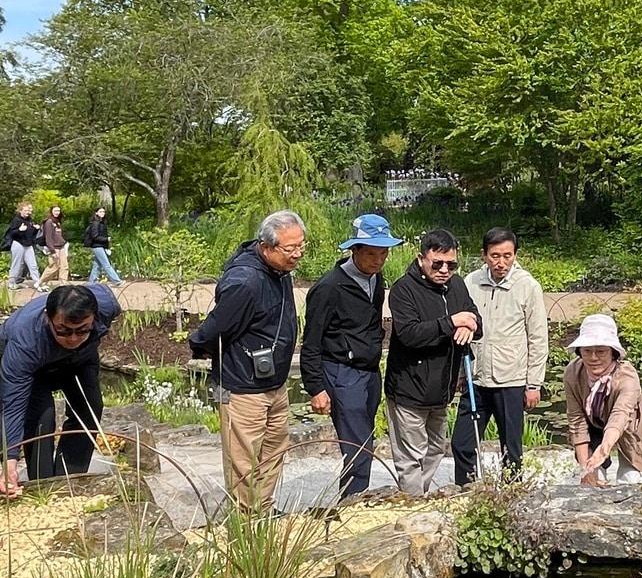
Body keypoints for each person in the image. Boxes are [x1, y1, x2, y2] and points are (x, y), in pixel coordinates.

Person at [189, 211, 305, 512]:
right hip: (242, 386)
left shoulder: (278, 271)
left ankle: (262, 510)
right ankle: (246, 521)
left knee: (274, 449)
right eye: (290, 249)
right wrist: (199, 346)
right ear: (266, 247)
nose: (297, 255)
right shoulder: (246, 281)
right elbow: (214, 329)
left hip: (273, 382)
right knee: (243, 458)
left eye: (301, 246)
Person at [300, 213, 403, 499]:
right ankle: (353, 503)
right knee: (357, 444)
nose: (378, 260)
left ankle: (353, 497)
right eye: (371, 254)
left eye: (383, 254)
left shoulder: (376, 280)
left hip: (370, 370)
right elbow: (311, 341)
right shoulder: (329, 288)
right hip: (341, 371)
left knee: (365, 438)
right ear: (354, 250)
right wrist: (316, 388)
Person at [0, 284, 121, 497]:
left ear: (95, 317)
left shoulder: (106, 306)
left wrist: (82, 339)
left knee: (89, 407)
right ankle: (42, 485)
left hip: (80, 358)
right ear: (47, 318)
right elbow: (13, 406)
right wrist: (9, 463)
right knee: (42, 417)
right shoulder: (24, 341)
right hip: (34, 361)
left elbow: (83, 333)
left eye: (82, 330)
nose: (72, 338)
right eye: (63, 330)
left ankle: (69, 480)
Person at [383, 229, 483, 496]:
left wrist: (469, 326)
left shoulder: (457, 285)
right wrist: (452, 323)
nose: (444, 270)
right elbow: (410, 334)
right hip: (409, 387)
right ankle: (413, 505)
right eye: (437, 263)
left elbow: (475, 319)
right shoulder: (403, 289)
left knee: (436, 449)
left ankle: (419, 496)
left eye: (451, 264)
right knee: (411, 456)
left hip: (442, 387)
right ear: (420, 259)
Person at [454, 227, 548, 484]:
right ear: (484, 255)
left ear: (515, 255)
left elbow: (538, 337)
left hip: (512, 380)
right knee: (462, 443)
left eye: (508, 256)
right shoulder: (470, 282)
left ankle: (511, 498)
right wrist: (462, 373)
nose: (501, 262)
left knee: (512, 449)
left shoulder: (528, 286)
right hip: (477, 378)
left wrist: (533, 384)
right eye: (495, 255)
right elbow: (461, 330)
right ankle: (467, 492)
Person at [568, 314, 642, 485]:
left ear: (613, 352)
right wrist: (586, 467)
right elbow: (577, 420)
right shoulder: (573, 373)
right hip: (593, 429)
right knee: (590, 479)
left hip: (629, 430)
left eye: (601, 351)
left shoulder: (627, 377)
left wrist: (604, 450)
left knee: (630, 480)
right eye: (587, 351)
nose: (593, 358)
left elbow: (619, 416)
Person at [1, 202, 44, 291]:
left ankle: (38, 283)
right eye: (25, 210)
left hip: (28, 245)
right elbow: (11, 233)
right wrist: (19, 230)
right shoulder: (16, 220)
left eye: (28, 210)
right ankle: (12, 283)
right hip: (18, 244)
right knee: (16, 264)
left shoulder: (29, 220)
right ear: (20, 211)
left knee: (33, 265)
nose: (27, 212)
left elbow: (31, 234)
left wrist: (36, 229)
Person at [82, 207, 124, 286]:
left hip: (101, 246)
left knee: (97, 265)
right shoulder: (95, 223)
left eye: (103, 212)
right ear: (96, 213)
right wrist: (106, 239)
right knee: (106, 264)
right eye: (100, 212)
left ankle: (92, 282)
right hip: (97, 246)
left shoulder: (102, 222)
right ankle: (117, 281)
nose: (102, 213)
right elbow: (94, 236)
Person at [38, 204, 69, 286]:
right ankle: (40, 281)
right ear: (51, 211)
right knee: (54, 267)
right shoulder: (49, 222)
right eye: (55, 211)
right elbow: (48, 238)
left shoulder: (58, 221)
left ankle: (63, 284)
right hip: (54, 248)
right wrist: (52, 250)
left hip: (61, 246)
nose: (57, 212)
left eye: (58, 211)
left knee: (64, 266)